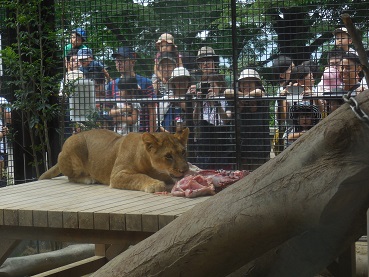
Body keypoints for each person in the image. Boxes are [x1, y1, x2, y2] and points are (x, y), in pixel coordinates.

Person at [224, 69, 270, 171]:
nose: (246, 85)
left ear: (256, 84)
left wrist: (244, 97)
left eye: (250, 82)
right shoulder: (234, 98)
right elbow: (227, 92)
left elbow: (258, 92)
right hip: (240, 151)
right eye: (243, 82)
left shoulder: (262, 97)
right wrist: (243, 97)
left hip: (259, 150)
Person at [106, 46, 155, 132]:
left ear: (132, 62)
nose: (118, 63)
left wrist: (152, 134)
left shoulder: (146, 82)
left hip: (141, 133)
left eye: (122, 60)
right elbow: (108, 111)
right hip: (118, 135)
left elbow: (152, 110)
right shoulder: (111, 85)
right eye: (117, 60)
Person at [192, 74, 232, 169]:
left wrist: (217, 103)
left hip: (222, 147)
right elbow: (194, 120)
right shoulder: (202, 102)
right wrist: (198, 103)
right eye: (207, 86)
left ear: (220, 87)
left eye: (212, 86)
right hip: (204, 149)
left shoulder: (225, 101)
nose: (210, 89)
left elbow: (226, 119)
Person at [270, 55, 295, 155]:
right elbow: (282, 118)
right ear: (282, 75)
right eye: (292, 69)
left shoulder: (296, 88)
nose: (295, 71)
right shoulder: (281, 92)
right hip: (287, 140)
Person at [157, 67, 191, 133]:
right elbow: (156, 121)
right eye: (178, 79)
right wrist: (165, 132)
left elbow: (196, 119)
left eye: (184, 79)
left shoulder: (193, 99)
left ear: (188, 82)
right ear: (173, 82)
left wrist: (180, 103)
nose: (181, 82)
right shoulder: (165, 99)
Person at [0, 97, 11, 186]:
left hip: (3, 150)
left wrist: (5, 131)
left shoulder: (3, 100)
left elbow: (9, 119)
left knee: (3, 176)